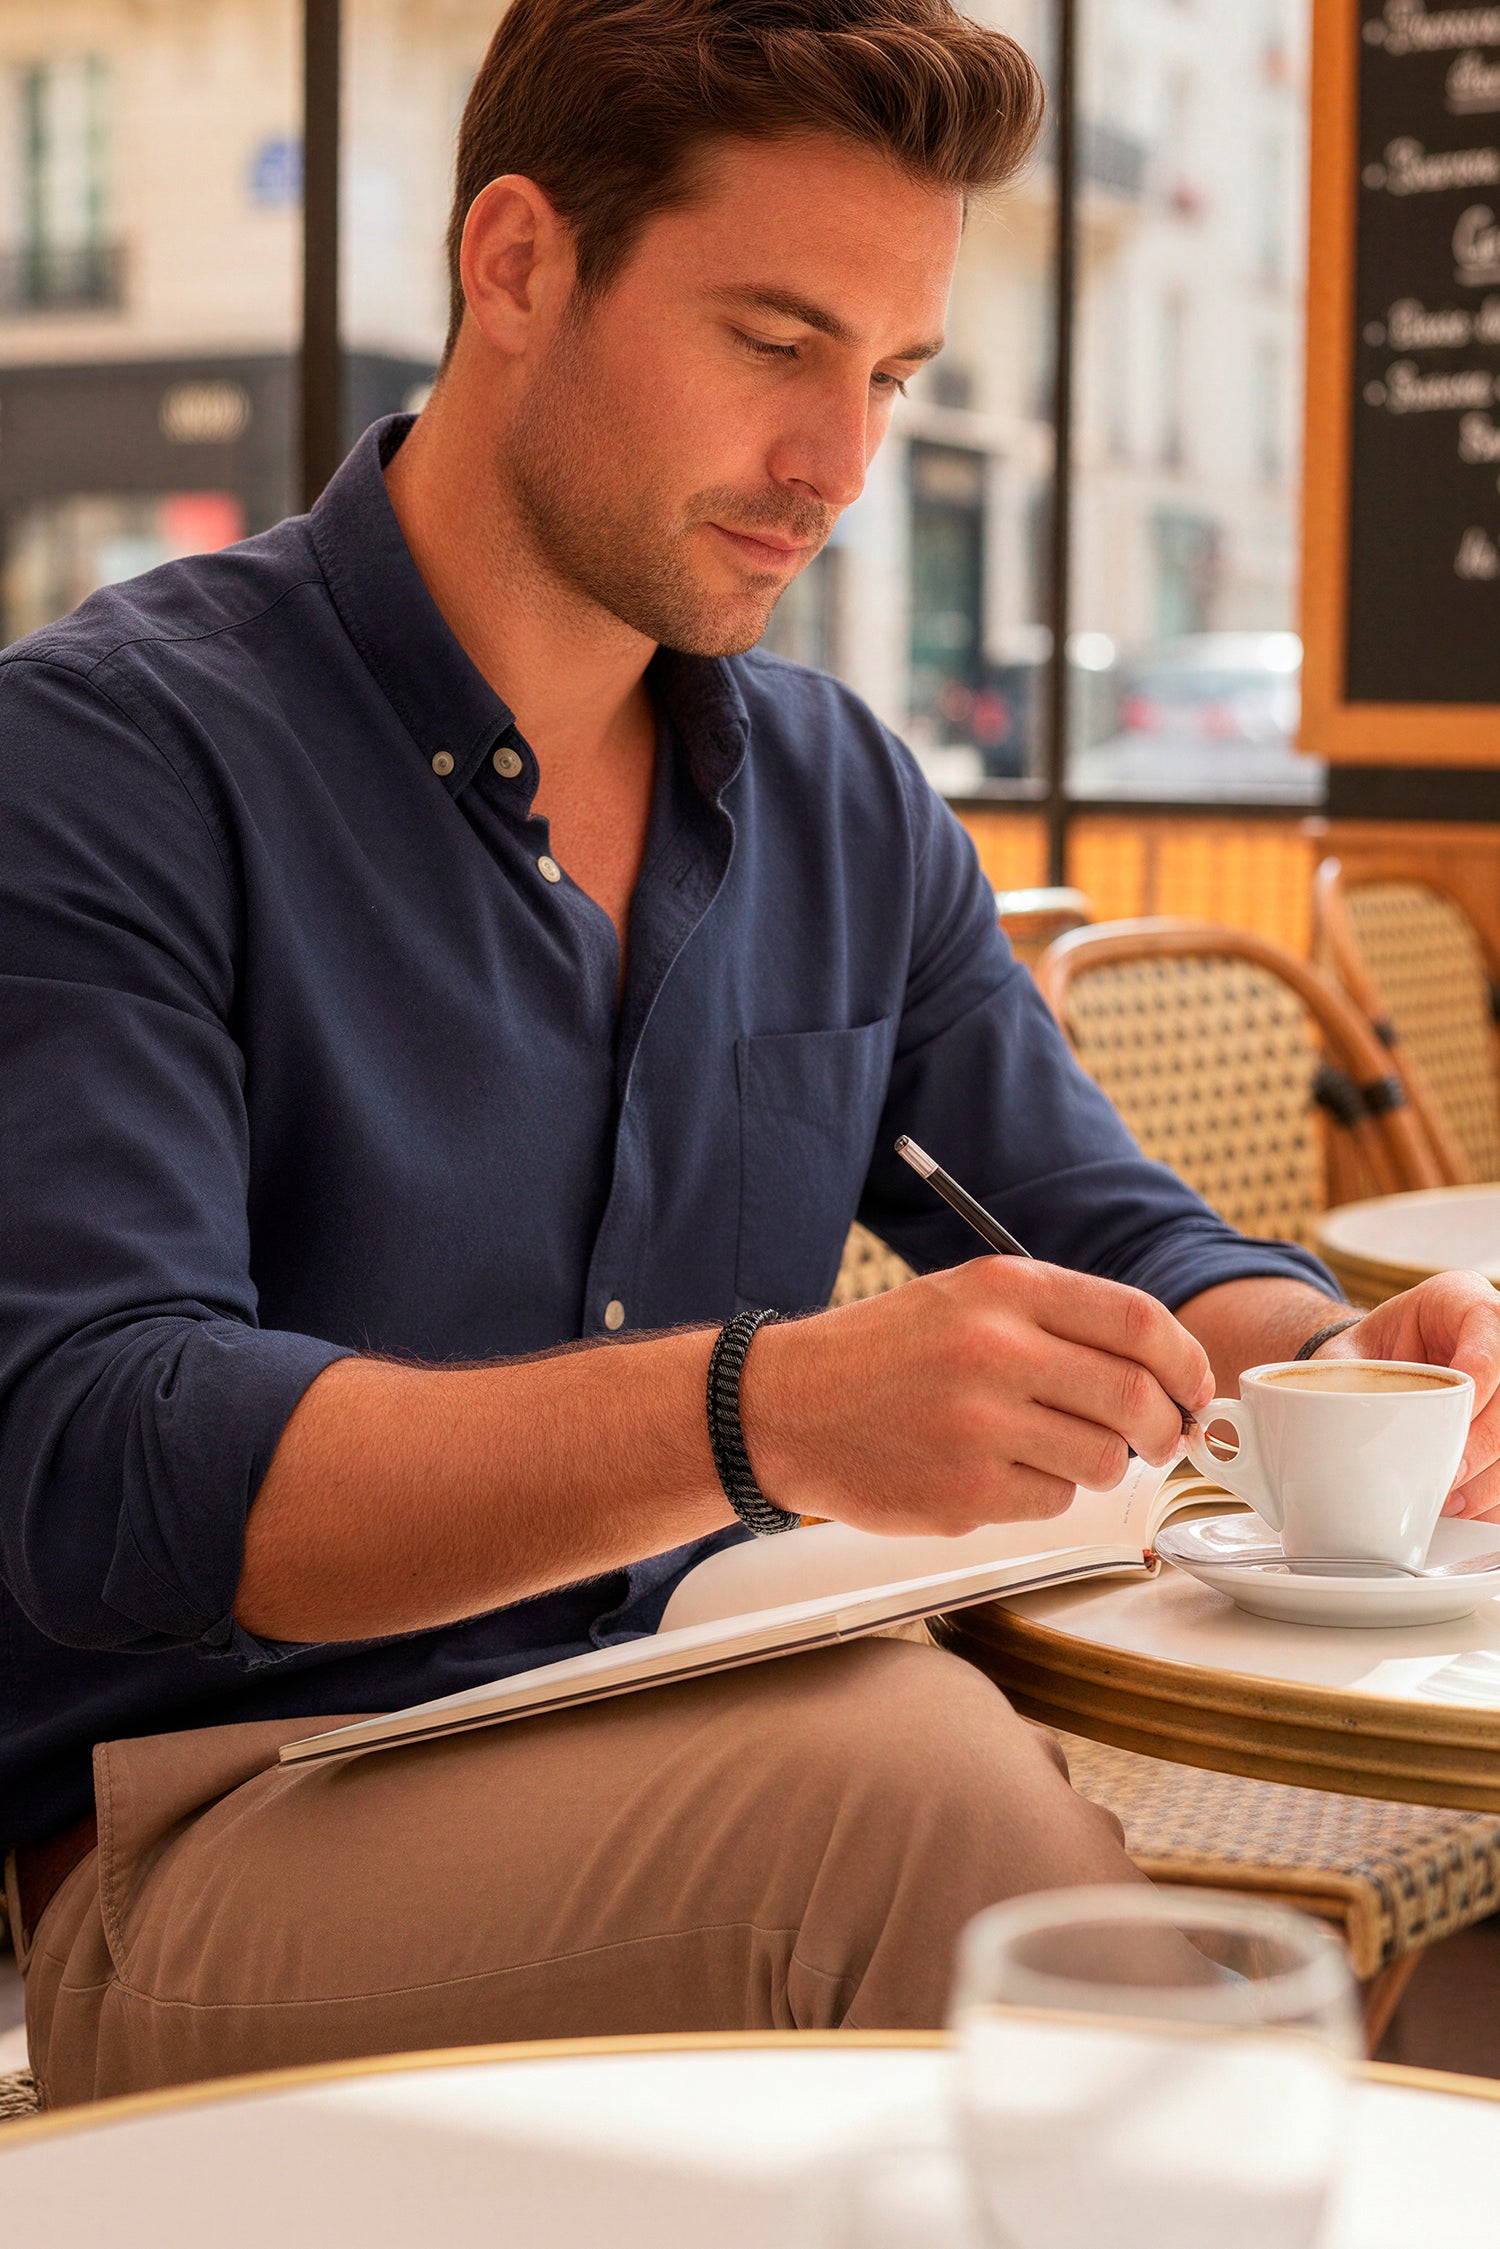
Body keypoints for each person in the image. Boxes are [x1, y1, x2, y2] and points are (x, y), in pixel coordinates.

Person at [3, 0, 1498, 2110]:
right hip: (198, 1838)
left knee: (928, 1755)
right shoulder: (109, 756)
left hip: (681, 1706)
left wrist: (1351, 1372)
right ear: (515, 262)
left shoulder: (842, 793)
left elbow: (1114, 1227)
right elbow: (105, 1457)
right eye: (775, 344)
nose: (840, 470)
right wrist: (757, 1409)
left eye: (888, 378)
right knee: (896, 1784)